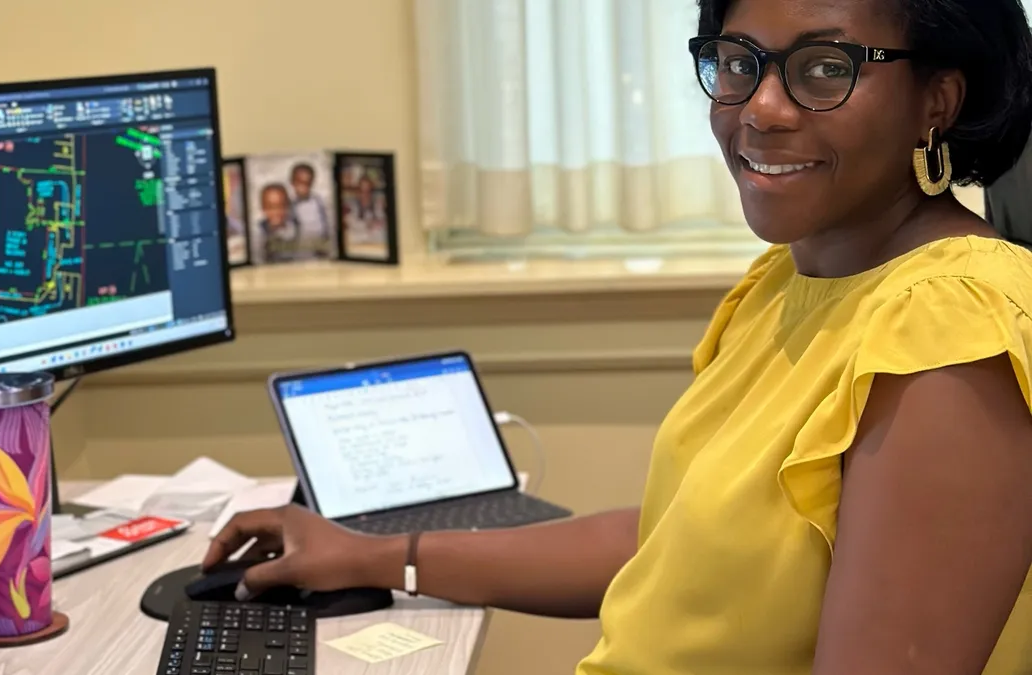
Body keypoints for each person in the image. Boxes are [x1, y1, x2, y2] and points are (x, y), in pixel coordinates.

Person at [208, 0, 1032, 672]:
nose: (762, 108)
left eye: (825, 68)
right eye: (740, 61)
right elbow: (674, 540)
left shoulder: (952, 330)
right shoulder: (792, 280)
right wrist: (368, 554)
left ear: (939, 99)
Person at [289, 162, 334, 259]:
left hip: (318, 255)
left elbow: (326, 228)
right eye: (299, 182)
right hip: (297, 255)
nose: (303, 187)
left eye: (307, 183)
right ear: (292, 182)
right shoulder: (289, 206)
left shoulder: (319, 203)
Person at [255, 183, 300, 264]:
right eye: (270, 207)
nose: (276, 212)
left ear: (287, 206)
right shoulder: (258, 233)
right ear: (263, 208)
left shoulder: (297, 230)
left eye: (281, 206)